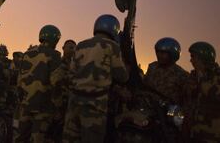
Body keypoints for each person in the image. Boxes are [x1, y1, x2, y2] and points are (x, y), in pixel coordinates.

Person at [62, 15, 128, 143]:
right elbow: (122, 76)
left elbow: (71, 73)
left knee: (70, 138)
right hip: (95, 105)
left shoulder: (81, 45)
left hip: (74, 102)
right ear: (114, 29)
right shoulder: (112, 46)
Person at [14, 25, 62, 143]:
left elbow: (19, 80)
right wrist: (58, 107)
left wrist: (21, 101)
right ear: (55, 39)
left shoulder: (27, 54)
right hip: (42, 107)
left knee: (20, 138)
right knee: (38, 139)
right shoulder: (54, 55)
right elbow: (57, 82)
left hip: (25, 105)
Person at [183, 41, 219, 143]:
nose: (191, 60)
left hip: (211, 135)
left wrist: (201, 83)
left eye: (193, 57)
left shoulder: (217, 76)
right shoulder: (193, 76)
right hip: (193, 132)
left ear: (202, 58)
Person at [143, 37, 189, 105]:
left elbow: (186, 99)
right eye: (158, 52)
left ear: (172, 54)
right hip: (148, 106)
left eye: (163, 53)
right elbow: (145, 85)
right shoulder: (152, 67)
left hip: (168, 111)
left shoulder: (181, 74)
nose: (159, 55)